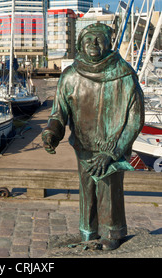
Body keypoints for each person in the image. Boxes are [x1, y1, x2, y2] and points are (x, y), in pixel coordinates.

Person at [42, 23, 144, 250]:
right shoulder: (70, 76)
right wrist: (51, 133)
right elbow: (59, 113)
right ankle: (88, 231)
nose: (93, 44)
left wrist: (113, 151)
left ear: (109, 43)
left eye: (99, 39)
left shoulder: (125, 75)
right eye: (88, 39)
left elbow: (135, 120)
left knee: (109, 188)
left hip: (113, 148)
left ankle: (112, 232)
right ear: (80, 44)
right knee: (87, 190)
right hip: (84, 145)